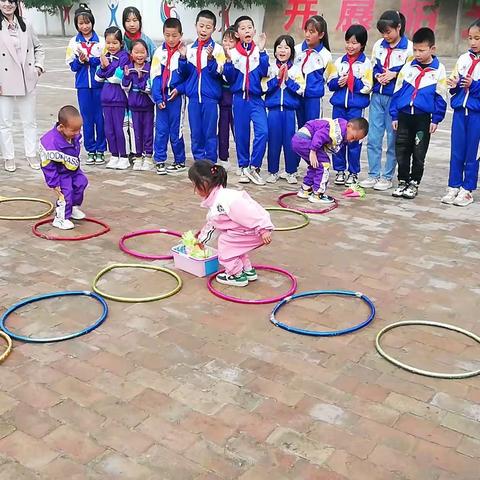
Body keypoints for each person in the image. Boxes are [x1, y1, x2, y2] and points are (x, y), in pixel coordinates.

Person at [189, 160, 273, 287]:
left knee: (226, 247)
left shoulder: (222, 202)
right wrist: (201, 237)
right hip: (248, 230)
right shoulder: (221, 197)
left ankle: (236, 275)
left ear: (204, 184)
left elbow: (250, 211)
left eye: (194, 184)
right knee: (235, 246)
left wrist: (263, 229)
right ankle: (248, 270)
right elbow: (213, 223)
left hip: (255, 230)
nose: (194, 190)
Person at [390, 27, 447, 200]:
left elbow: (441, 95)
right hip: (404, 115)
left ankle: (414, 182)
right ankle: (402, 180)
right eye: (415, 49)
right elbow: (397, 91)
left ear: (432, 49)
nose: (417, 53)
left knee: (419, 151)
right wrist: (394, 114)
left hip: (423, 118)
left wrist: (436, 118)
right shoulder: (408, 67)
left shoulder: (439, 70)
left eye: (422, 50)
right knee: (402, 149)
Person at [360, 10, 413, 191]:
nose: (386, 36)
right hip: (377, 96)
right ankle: (373, 174)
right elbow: (374, 65)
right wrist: (377, 75)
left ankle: (387, 176)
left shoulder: (409, 48)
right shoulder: (378, 45)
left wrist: (395, 73)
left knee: (392, 138)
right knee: (374, 137)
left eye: (389, 31)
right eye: (383, 32)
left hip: (395, 99)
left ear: (399, 27)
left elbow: (413, 73)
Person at [223, 15, 269, 185]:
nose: (247, 30)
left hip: (256, 99)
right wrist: (228, 62)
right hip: (239, 99)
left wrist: (263, 51)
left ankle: (254, 167)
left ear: (254, 31)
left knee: (263, 132)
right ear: (237, 33)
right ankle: (243, 166)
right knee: (242, 135)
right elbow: (230, 78)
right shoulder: (233, 52)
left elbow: (264, 71)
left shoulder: (259, 51)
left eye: (250, 27)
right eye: (243, 28)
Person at [0, 0, 45, 172]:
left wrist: (38, 67)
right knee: (5, 123)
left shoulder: (25, 24)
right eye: (3, 0)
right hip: (4, 81)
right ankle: (9, 157)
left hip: (27, 79)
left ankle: (31, 153)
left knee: (30, 121)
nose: (7, 5)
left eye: (11, 1)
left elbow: (38, 47)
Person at [441, 18, 480, 207]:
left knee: (472, 152)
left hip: (476, 115)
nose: (473, 42)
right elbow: (454, 81)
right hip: (459, 112)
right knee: (457, 151)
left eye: (477, 38)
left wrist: (474, 86)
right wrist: (455, 85)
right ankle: (453, 186)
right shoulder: (463, 59)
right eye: (470, 38)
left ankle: (467, 189)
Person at [328, 24, 372, 186]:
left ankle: (353, 173)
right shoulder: (339, 62)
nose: (350, 46)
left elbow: (368, 86)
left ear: (362, 45)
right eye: (348, 42)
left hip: (355, 108)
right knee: (337, 138)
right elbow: (330, 83)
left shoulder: (366, 64)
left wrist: (353, 81)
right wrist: (338, 82)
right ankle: (339, 170)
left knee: (354, 140)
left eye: (354, 43)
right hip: (339, 106)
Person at [179, 10, 224, 164]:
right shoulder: (189, 49)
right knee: (195, 133)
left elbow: (219, 74)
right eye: (201, 26)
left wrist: (211, 59)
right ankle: (199, 163)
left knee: (210, 133)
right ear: (196, 25)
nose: (204, 30)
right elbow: (184, 75)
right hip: (193, 99)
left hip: (210, 99)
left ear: (213, 29)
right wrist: (183, 58)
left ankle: (210, 163)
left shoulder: (218, 50)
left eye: (208, 27)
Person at [292, 117, 369, 204]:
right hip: (305, 140)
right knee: (324, 164)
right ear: (349, 126)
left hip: (298, 140)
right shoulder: (337, 131)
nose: (351, 141)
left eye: (354, 140)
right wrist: (313, 150)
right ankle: (318, 194)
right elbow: (319, 135)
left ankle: (305, 189)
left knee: (315, 165)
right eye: (353, 137)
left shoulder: (342, 127)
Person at [66, 3, 106, 166]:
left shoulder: (101, 42)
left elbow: (105, 63)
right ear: (77, 25)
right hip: (83, 86)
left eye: (87, 22)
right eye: (81, 23)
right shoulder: (73, 42)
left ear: (92, 22)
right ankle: (90, 149)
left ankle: (101, 150)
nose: (85, 26)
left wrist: (90, 60)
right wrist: (80, 61)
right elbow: (72, 67)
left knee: (100, 118)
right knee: (86, 118)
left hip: (99, 85)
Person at [39, 106, 87, 230]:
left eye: (79, 129)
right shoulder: (50, 143)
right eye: (74, 130)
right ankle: (60, 219)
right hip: (60, 174)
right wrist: (54, 183)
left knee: (81, 183)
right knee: (66, 194)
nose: (77, 133)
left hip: (73, 170)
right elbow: (47, 165)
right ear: (61, 127)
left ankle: (72, 208)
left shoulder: (74, 136)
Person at [264, 34, 303, 184]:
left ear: (291, 52)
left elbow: (301, 89)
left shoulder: (296, 70)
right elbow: (264, 87)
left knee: (289, 142)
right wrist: (277, 79)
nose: (282, 50)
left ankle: (290, 171)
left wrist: (287, 80)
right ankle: (273, 171)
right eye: (279, 47)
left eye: (286, 47)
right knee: (273, 142)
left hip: (289, 112)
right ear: (274, 51)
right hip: (273, 111)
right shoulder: (270, 69)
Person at [151, 17, 187, 175]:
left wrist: (179, 89)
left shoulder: (185, 52)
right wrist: (158, 98)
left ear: (181, 35)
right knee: (161, 130)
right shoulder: (159, 52)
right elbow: (155, 77)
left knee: (176, 131)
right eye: (167, 35)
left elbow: (189, 77)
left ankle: (179, 160)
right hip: (162, 97)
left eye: (174, 35)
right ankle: (159, 160)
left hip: (177, 98)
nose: (171, 39)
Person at [95, 26, 130, 170]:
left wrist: (106, 68)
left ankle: (124, 156)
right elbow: (97, 77)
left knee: (120, 129)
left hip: (119, 100)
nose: (111, 46)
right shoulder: (105, 55)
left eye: (114, 43)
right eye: (108, 43)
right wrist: (104, 68)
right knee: (109, 129)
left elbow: (117, 77)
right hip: (106, 100)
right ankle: (114, 154)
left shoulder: (124, 56)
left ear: (121, 43)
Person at [294, 15, 333, 127]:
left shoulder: (326, 55)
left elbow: (328, 77)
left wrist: (314, 88)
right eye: (306, 30)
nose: (307, 34)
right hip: (296, 95)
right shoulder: (296, 50)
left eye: (312, 31)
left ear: (321, 35)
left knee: (313, 128)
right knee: (299, 128)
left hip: (313, 99)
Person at [122, 39, 154, 171]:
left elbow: (149, 88)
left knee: (148, 132)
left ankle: (148, 157)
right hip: (134, 107)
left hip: (147, 107)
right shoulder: (128, 68)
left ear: (147, 53)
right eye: (136, 52)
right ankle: (138, 156)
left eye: (142, 52)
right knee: (137, 133)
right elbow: (125, 87)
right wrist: (127, 76)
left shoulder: (150, 68)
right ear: (131, 53)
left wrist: (141, 79)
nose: (139, 55)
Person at [218, 27, 236, 169]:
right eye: (225, 40)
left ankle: (244, 161)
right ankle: (223, 158)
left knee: (239, 132)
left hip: (236, 100)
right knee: (222, 131)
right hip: (222, 100)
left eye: (231, 41)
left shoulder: (240, 57)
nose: (227, 43)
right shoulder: (219, 56)